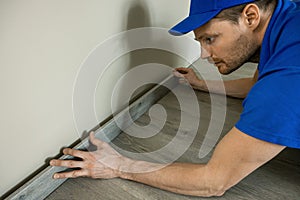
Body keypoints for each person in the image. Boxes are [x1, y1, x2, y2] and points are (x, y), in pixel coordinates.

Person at [50, 0, 300, 197]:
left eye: (210, 39)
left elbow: (213, 182)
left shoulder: (288, 78)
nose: (204, 54)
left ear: (251, 16)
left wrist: (118, 165)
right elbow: (258, 84)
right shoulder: (287, 19)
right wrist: (201, 84)